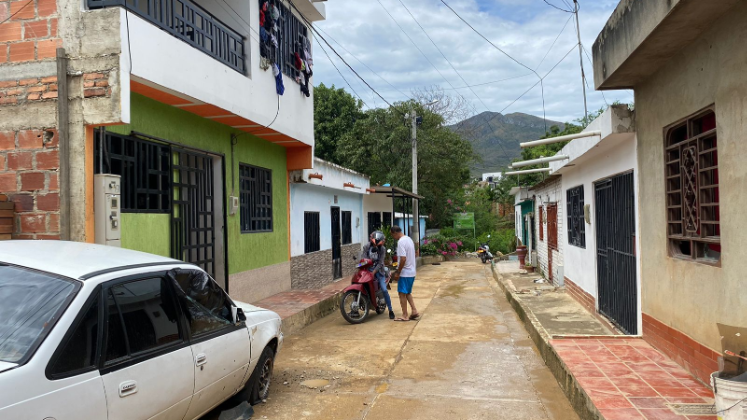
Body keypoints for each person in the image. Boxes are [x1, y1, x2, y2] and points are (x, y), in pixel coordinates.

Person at [362, 230, 394, 319]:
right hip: (367, 271)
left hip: (379, 272)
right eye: (374, 244)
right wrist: (360, 265)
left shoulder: (382, 249)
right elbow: (363, 259)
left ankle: (391, 310)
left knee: (384, 289)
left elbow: (380, 263)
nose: (376, 246)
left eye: (378, 244)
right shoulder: (366, 247)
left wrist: (374, 272)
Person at [390, 226, 419, 322]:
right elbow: (415, 254)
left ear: (394, 232)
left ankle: (405, 315)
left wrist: (398, 271)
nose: (393, 237)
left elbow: (403, 258)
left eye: (392, 235)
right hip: (411, 271)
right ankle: (414, 310)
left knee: (401, 293)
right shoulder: (409, 239)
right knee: (407, 293)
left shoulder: (401, 242)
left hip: (405, 272)